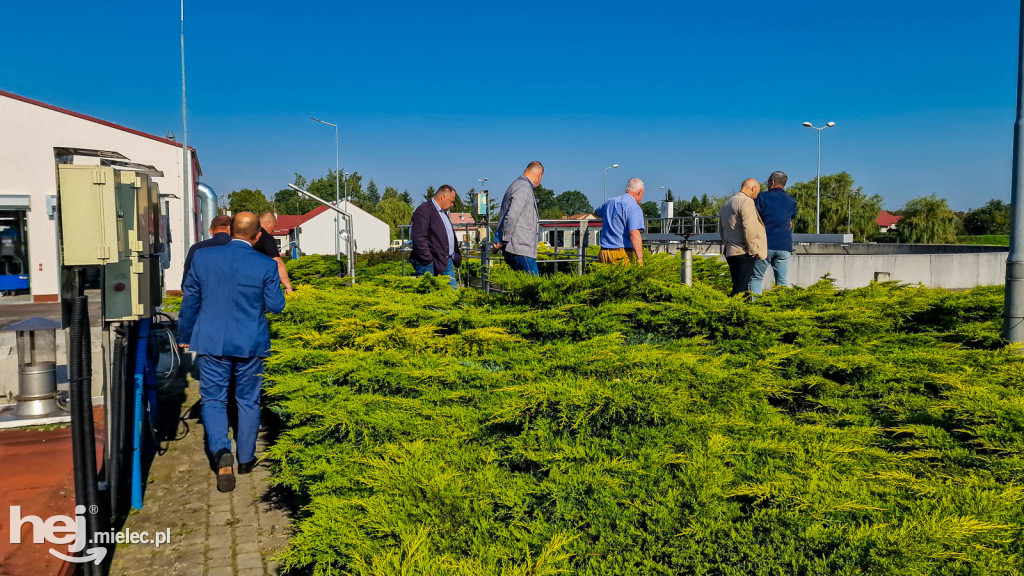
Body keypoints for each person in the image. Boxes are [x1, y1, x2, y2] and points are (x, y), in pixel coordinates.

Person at [177, 212, 286, 493]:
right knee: (248, 400)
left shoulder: (203, 258)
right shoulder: (265, 264)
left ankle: (221, 454)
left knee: (213, 398)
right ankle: (247, 459)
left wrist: (185, 335)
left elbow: (190, 298)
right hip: (251, 341)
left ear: (229, 231)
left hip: (211, 339)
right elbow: (276, 306)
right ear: (258, 235)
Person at [750, 171, 797, 295]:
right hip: (784, 246)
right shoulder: (791, 200)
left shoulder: (761, 197)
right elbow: (791, 218)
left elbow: (754, 218)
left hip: (765, 245)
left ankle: (755, 308)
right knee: (781, 281)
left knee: (756, 278)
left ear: (773, 182)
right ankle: (780, 307)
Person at [719, 178, 767, 297]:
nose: (756, 195)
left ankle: (733, 311)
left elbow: (722, 229)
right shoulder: (746, 202)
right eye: (757, 191)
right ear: (753, 188)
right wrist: (753, 250)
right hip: (743, 251)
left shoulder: (727, 203)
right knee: (742, 291)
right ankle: (739, 313)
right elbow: (749, 227)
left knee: (737, 286)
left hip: (730, 250)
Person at [493, 161, 543, 275]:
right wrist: (504, 240)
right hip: (520, 248)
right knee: (533, 287)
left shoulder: (516, 184)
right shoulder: (524, 187)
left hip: (516, 247)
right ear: (539, 176)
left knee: (523, 286)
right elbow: (512, 216)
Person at [410, 184, 462, 288]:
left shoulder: (442, 213)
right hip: (429, 264)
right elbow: (418, 238)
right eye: (451, 201)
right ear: (443, 197)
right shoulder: (424, 211)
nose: (452, 204)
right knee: (429, 295)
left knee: (453, 296)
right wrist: (428, 260)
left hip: (446, 261)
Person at [594, 178, 646, 265]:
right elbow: (634, 233)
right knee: (625, 278)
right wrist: (640, 259)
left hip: (604, 253)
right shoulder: (633, 207)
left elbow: (596, 212)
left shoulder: (610, 202)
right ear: (639, 192)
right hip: (621, 254)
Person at [253, 212, 294, 294]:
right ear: (268, 223)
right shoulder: (266, 238)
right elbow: (278, 263)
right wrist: (288, 287)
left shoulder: (246, 234)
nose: (274, 229)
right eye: (274, 226)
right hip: (259, 284)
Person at [183, 215, 232, 279]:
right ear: (232, 230)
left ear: (211, 231)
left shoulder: (196, 248)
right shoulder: (243, 248)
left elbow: (188, 278)